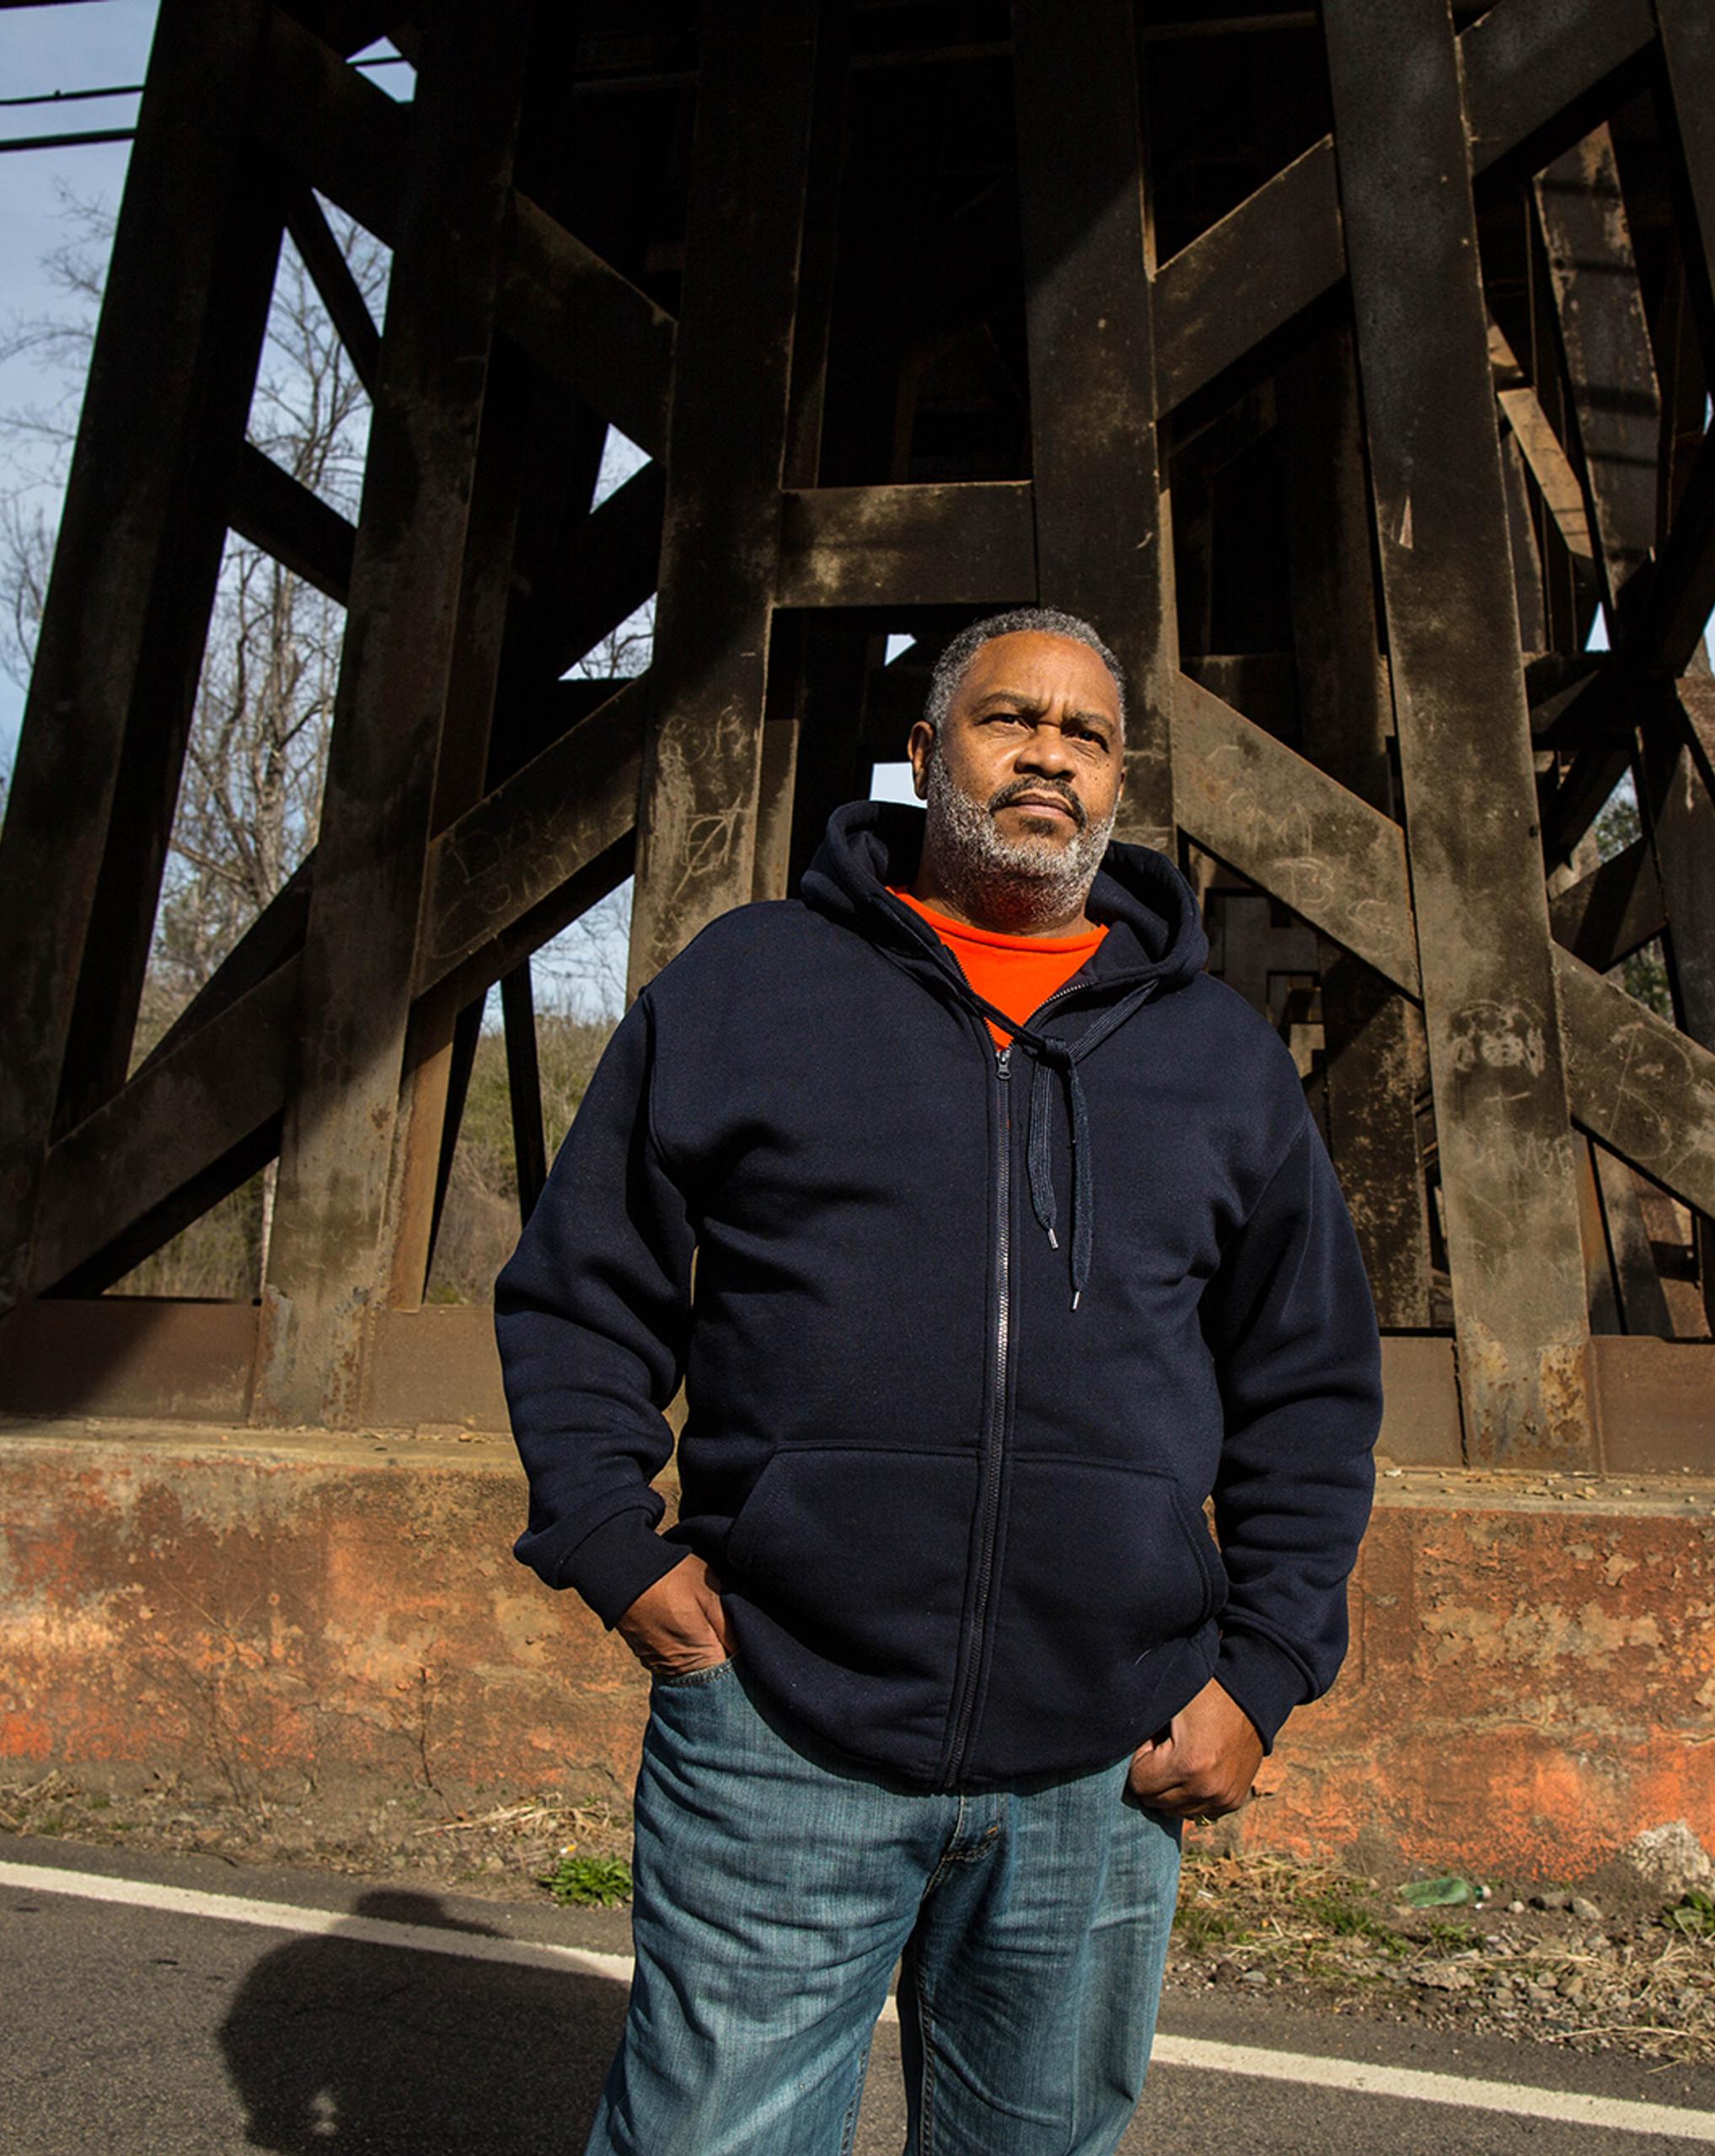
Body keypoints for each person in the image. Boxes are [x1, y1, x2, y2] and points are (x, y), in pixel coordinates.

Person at [500, 607, 1381, 2156]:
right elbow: (585, 1286)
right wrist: (606, 1545)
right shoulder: (754, 985)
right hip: (780, 1725)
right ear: (923, 757)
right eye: (1008, 719)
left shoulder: (1218, 1058)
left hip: (1104, 1767)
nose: (1050, 753)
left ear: (1117, 788)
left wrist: (1264, 1671)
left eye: (1088, 736)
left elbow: (1309, 1385)